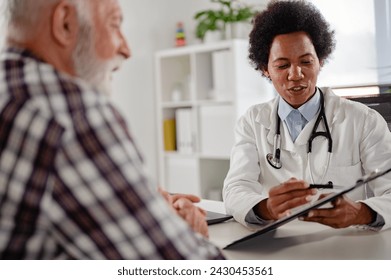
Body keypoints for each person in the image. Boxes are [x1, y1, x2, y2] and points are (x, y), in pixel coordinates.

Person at [0, 0, 224, 259]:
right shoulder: (72, 114)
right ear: (65, 23)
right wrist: (179, 231)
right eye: (114, 24)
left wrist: (142, 207)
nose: (127, 49)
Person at [223, 0, 391, 231]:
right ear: (265, 68)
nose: (296, 75)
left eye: (306, 62)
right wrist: (266, 208)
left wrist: (360, 213)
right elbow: (236, 188)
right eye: (282, 65)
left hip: (346, 244)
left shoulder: (364, 120)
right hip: (280, 243)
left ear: (320, 61)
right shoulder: (252, 122)